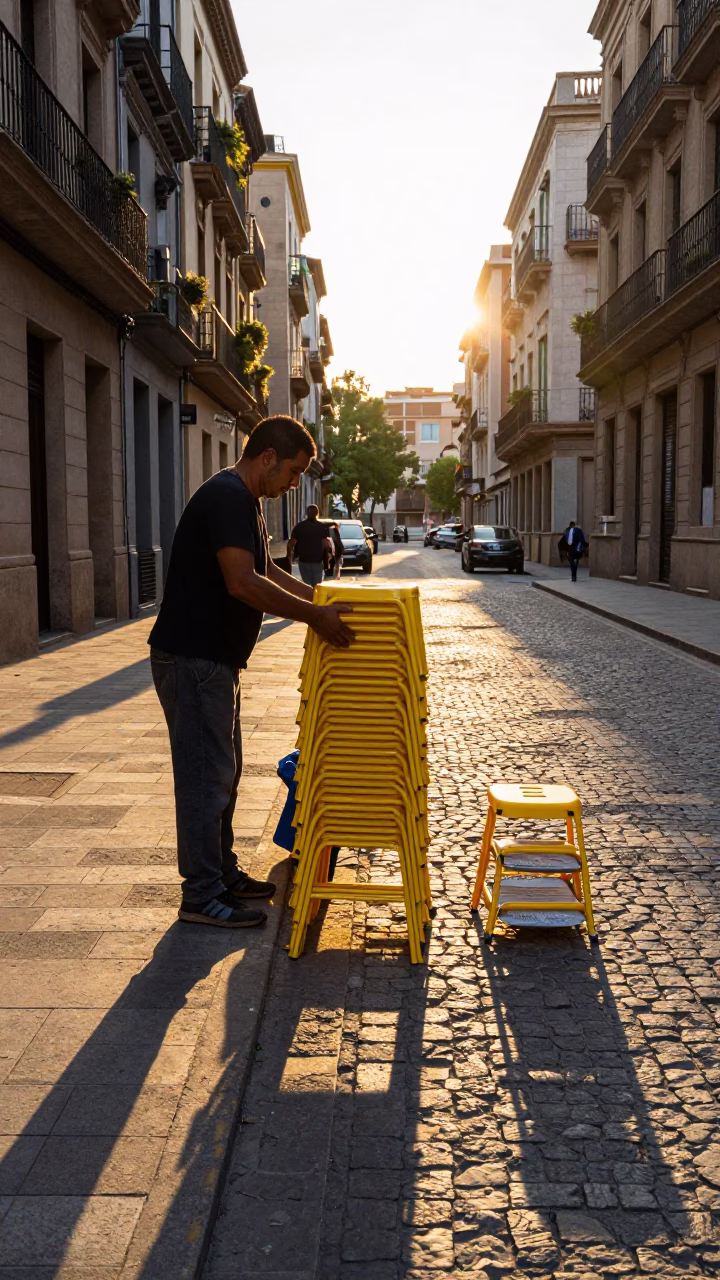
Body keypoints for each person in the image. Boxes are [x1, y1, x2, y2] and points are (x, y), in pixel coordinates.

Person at [148, 416, 354, 930]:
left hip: (214, 662)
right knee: (204, 779)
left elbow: (267, 569)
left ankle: (222, 874)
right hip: (193, 659)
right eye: (293, 470)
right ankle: (200, 895)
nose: (293, 482)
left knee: (225, 771)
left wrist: (320, 597)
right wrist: (315, 617)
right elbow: (243, 584)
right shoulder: (225, 497)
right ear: (267, 458)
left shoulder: (246, 503)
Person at [287, 504, 333, 588]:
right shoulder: (322, 527)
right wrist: (328, 557)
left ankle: (308, 598)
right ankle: (314, 600)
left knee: (306, 585)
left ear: (307, 513)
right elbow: (326, 544)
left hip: (303, 561)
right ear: (317, 513)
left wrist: (289, 556)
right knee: (317, 586)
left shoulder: (299, 527)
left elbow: (291, 543)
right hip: (317, 561)